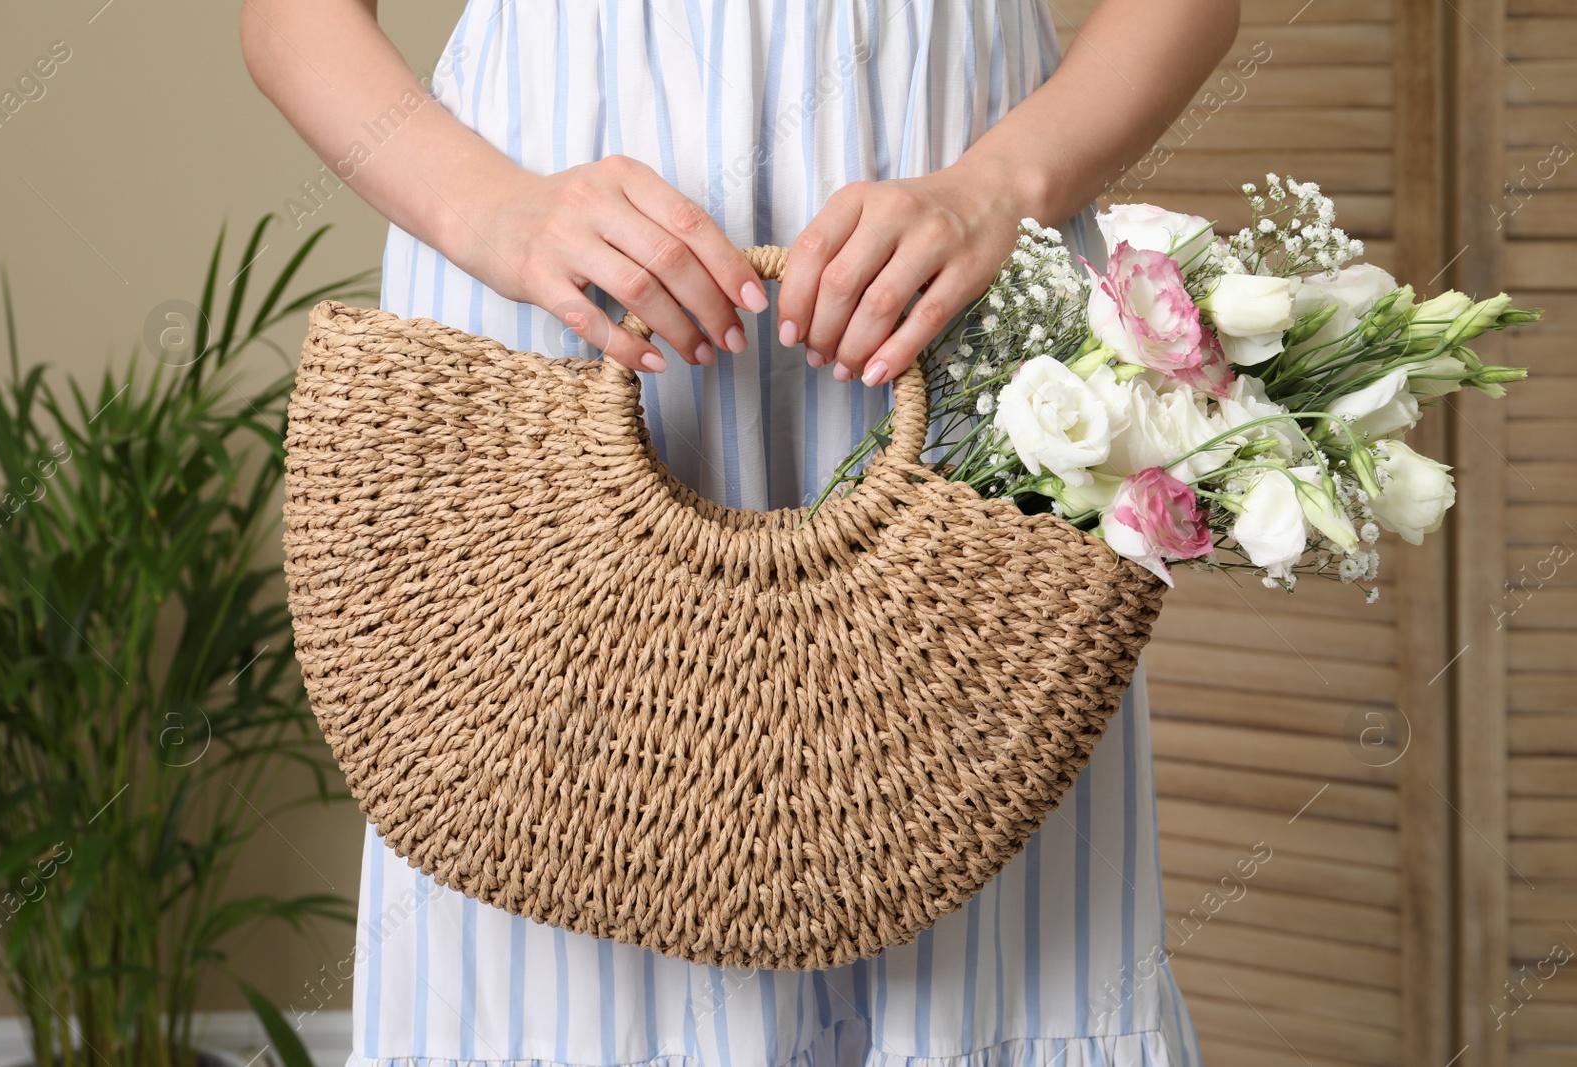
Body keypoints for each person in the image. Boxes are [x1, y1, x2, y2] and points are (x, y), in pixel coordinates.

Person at [243, 2, 1239, 1063]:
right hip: (548, 261)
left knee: (984, 876)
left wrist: (1002, 185)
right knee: (542, 835)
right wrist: (492, 212)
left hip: (955, 247)